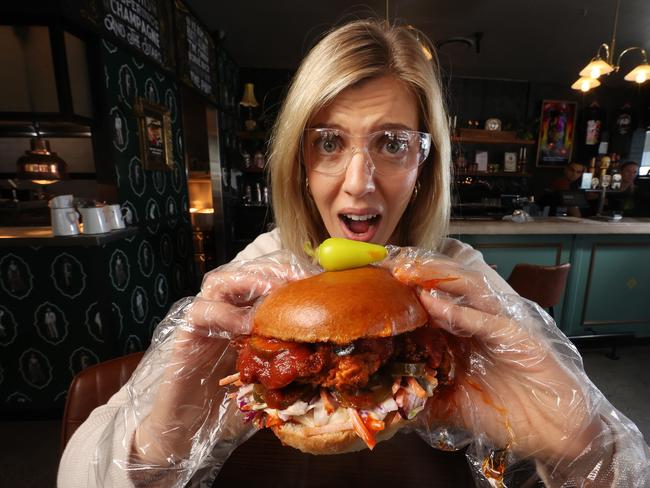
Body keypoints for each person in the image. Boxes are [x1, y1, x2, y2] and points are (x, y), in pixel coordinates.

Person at [58, 20, 650, 488]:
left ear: (425, 165)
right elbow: (75, 476)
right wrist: (162, 438)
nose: (360, 182)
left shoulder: (467, 288)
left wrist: (580, 443)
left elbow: (623, 467)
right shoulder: (255, 287)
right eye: (329, 142)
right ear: (299, 161)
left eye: (393, 143)